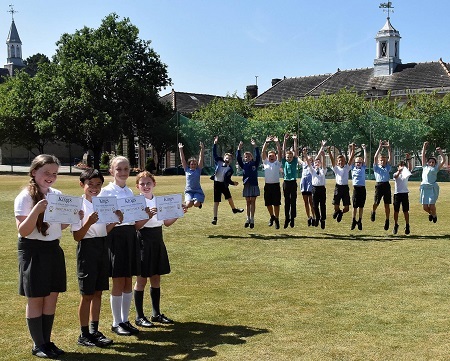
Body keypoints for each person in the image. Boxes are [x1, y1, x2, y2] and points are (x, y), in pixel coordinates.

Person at [14, 154, 68, 358]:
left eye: (54, 173)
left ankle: (47, 341)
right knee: (36, 298)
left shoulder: (57, 193)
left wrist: (72, 217)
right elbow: (24, 230)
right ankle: (38, 344)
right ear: (34, 172)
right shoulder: (25, 197)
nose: (51, 176)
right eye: (46, 172)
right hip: (33, 250)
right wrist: (36, 211)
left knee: (51, 297)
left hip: (53, 248)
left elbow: (59, 225)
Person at [72, 168, 122, 347]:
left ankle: (94, 330)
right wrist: (88, 222)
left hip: (102, 246)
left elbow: (104, 231)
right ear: (82, 185)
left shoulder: (103, 203)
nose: (94, 188)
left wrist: (115, 220)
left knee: (99, 292)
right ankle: (83, 334)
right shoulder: (78, 205)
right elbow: (77, 236)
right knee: (87, 294)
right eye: (90, 184)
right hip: (87, 249)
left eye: (98, 184)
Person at [133, 171, 186, 328]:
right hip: (143, 239)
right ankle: (139, 316)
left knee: (156, 277)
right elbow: (136, 225)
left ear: (154, 184)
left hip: (157, 239)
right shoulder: (136, 202)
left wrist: (179, 213)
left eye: (148, 183)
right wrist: (147, 216)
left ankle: (156, 313)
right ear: (137, 186)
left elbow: (167, 223)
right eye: (142, 184)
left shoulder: (159, 201)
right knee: (141, 279)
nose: (145, 186)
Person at [98, 156, 141, 336]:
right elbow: (102, 220)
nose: (123, 172)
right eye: (119, 169)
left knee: (128, 280)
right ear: (111, 171)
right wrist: (116, 218)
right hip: (116, 237)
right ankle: (116, 322)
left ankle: (125, 320)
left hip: (131, 236)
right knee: (118, 280)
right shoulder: (106, 192)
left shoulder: (130, 192)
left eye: (126, 169)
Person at [211, 136, 244, 225]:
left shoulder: (230, 169)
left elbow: (227, 179)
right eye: (226, 158)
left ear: (231, 161)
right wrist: (215, 143)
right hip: (217, 184)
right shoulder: (219, 162)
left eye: (230, 159)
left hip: (224, 185)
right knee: (216, 202)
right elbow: (214, 153)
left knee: (229, 198)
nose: (228, 159)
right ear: (223, 157)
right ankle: (215, 218)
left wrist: (233, 183)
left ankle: (234, 209)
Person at [236, 139, 261, 228]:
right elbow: (238, 158)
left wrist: (255, 146)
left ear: (252, 157)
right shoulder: (244, 165)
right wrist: (238, 149)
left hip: (254, 184)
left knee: (253, 201)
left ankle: (252, 219)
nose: (247, 158)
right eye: (246, 157)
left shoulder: (255, 163)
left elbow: (258, 156)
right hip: (247, 185)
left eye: (249, 156)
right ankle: (247, 218)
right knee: (247, 202)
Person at [420, 141, 446, 223]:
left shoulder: (436, 168)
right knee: (425, 207)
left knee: (431, 205)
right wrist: (424, 147)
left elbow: (444, 160)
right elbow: (423, 156)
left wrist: (441, 152)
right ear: (427, 163)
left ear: (435, 164)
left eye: (433, 162)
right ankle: (432, 214)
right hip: (424, 188)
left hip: (432, 188)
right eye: (430, 162)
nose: (431, 163)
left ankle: (434, 215)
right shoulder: (425, 166)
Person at [328, 144, 354, 223]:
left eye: (342, 160)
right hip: (338, 188)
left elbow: (352, 157)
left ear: (344, 161)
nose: (341, 162)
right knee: (336, 206)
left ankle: (341, 213)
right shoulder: (336, 168)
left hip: (345, 188)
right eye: (339, 161)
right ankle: (337, 211)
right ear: (337, 162)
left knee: (347, 208)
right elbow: (332, 161)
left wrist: (353, 148)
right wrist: (329, 152)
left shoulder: (347, 167)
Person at [371, 140, 392, 231]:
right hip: (379, 185)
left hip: (386, 185)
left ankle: (387, 220)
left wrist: (388, 148)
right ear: (379, 161)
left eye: (384, 160)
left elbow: (390, 157)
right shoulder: (376, 167)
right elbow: (375, 157)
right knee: (376, 202)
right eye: (381, 160)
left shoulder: (388, 166)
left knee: (387, 204)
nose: (383, 161)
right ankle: (373, 211)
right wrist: (379, 147)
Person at [261, 136, 282, 229]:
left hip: (276, 186)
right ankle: (272, 216)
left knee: (276, 204)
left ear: (275, 157)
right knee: (268, 203)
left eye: (272, 156)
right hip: (268, 186)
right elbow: (263, 152)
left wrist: (277, 143)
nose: (271, 157)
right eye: (269, 156)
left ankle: (276, 219)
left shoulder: (278, 163)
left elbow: (280, 152)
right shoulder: (266, 163)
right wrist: (266, 142)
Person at [178, 142, 205, 209]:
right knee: (189, 205)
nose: (193, 165)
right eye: (192, 164)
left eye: (195, 164)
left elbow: (201, 159)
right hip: (189, 191)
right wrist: (180, 149)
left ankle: (198, 203)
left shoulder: (198, 170)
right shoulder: (187, 169)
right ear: (189, 165)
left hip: (197, 190)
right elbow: (183, 160)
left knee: (196, 204)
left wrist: (202, 149)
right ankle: (192, 200)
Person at [308, 140, 327, 229]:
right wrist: (304, 154)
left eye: (318, 162)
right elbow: (308, 163)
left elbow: (324, 164)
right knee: (315, 205)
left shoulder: (323, 170)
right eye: (315, 162)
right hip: (315, 189)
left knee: (322, 204)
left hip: (322, 189)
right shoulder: (313, 171)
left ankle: (322, 219)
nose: (317, 163)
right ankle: (317, 217)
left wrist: (323, 156)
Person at [281, 133, 299, 228]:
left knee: (293, 201)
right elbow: (283, 151)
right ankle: (286, 218)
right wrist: (285, 140)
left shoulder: (294, 161)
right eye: (288, 157)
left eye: (290, 157)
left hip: (293, 183)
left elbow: (296, 151)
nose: (289, 158)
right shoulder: (284, 162)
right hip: (286, 183)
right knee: (286, 201)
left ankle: (292, 218)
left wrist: (295, 140)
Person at [392, 155, 413, 235]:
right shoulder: (395, 174)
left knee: (405, 211)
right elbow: (396, 176)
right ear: (398, 167)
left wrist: (408, 160)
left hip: (405, 194)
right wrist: (399, 171)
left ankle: (407, 225)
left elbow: (410, 168)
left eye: (403, 166)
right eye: (400, 166)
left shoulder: (406, 174)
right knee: (396, 211)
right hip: (397, 194)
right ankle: (395, 224)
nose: (402, 167)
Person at [349, 144, 367, 230]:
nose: (358, 163)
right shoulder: (353, 168)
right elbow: (351, 158)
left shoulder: (363, 168)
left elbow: (366, 158)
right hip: (356, 189)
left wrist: (364, 149)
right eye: (357, 162)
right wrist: (350, 149)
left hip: (362, 189)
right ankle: (353, 220)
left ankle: (360, 220)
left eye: (360, 162)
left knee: (361, 206)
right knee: (354, 206)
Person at [300, 147, 315, 227]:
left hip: (310, 185)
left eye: (310, 160)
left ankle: (314, 217)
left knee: (311, 202)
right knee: (305, 202)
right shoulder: (303, 164)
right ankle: (309, 217)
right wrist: (295, 141)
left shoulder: (312, 167)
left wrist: (305, 154)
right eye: (307, 159)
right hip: (304, 185)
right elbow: (296, 156)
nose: (308, 161)